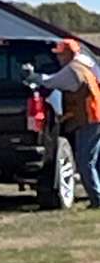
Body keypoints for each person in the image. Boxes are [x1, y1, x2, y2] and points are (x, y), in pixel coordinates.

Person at [32, 39, 100, 208]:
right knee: (95, 160)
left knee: (85, 161)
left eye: (61, 54)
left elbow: (50, 82)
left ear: (69, 54)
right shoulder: (87, 65)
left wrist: (32, 76)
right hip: (95, 117)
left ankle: (97, 200)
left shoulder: (71, 70)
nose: (58, 58)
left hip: (89, 119)